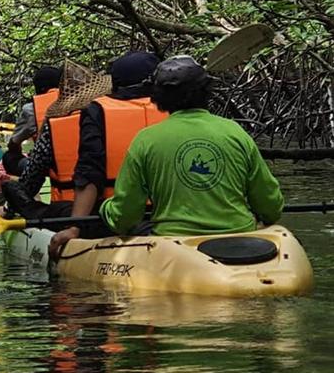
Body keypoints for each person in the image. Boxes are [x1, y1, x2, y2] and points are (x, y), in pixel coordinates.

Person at [96, 55, 283, 244]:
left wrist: (106, 209)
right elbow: (271, 206)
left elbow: (125, 216)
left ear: (158, 96)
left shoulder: (145, 140)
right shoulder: (236, 132)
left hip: (174, 242)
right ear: (206, 92)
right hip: (240, 235)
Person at [0, 52, 164, 247]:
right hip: (162, 213)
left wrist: (11, 207)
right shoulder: (171, 113)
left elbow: (34, 180)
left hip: (93, 217)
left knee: (15, 190)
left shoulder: (67, 123)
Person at [1, 65, 65, 177]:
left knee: (9, 157)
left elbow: (14, 144)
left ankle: (26, 188)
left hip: (50, 167)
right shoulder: (77, 102)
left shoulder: (31, 109)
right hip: (80, 164)